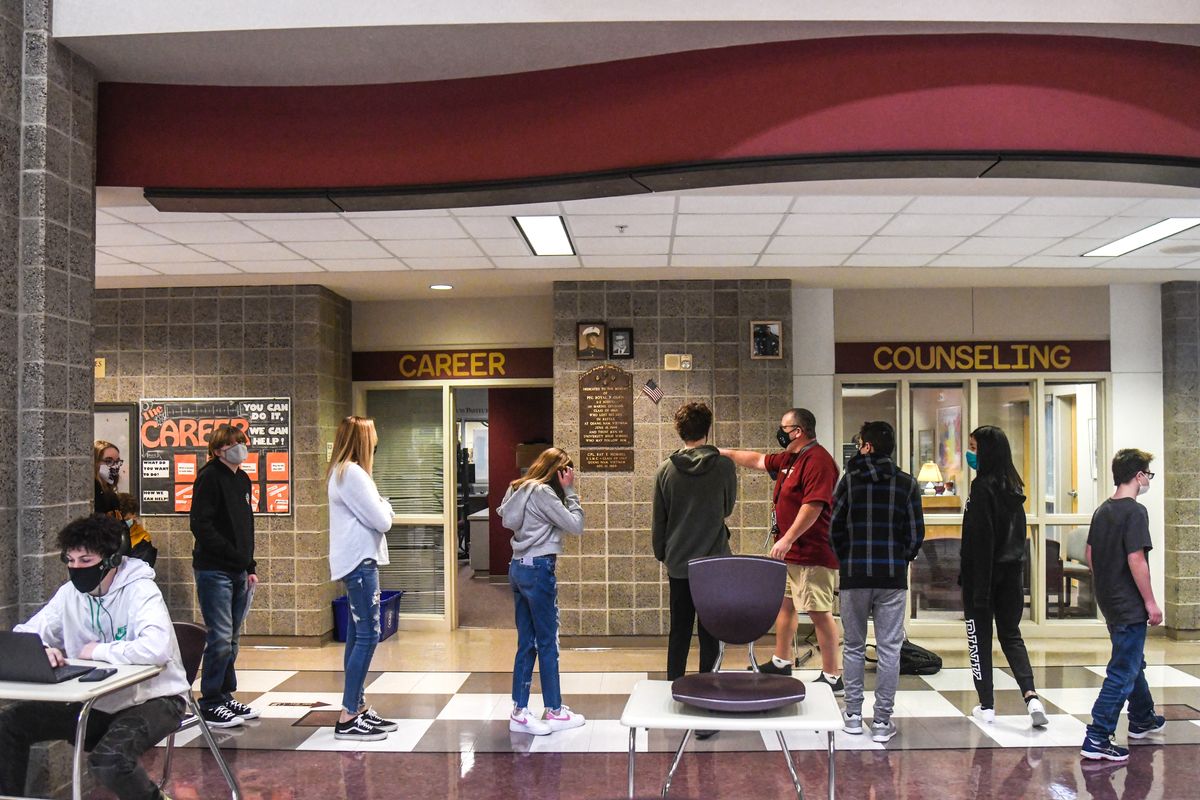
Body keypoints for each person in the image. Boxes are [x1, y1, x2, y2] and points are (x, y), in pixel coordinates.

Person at [0, 514, 188, 800]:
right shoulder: (69, 595)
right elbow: (26, 634)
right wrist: (41, 650)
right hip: (96, 701)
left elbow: (157, 648)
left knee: (109, 760)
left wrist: (97, 651)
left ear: (112, 560)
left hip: (155, 698)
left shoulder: (141, 589)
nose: (76, 569)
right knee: (9, 723)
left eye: (85, 561)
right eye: (70, 560)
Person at [721, 408, 843, 695]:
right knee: (785, 605)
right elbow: (758, 460)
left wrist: (787, 538)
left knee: (818, 611)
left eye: (784, 427)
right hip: (790, 553)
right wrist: (722, 452)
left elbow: (813, 506)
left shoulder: (819, 461)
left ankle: (832, 675)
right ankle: (781, 660)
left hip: (811, 552)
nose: (780, 432)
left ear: (798, 431)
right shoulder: (791, 458)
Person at [831, 421, 924, 744]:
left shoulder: (850, 482)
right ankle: (882, 721)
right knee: (889, 649)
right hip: (892, 578)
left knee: (854, 647)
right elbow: (915, 534)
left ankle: (854, 716)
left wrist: (847, 559)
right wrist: (901, 560)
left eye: (860, 442)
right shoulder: (907, 483)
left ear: (868, 446)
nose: (858, 447)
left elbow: (835, 528)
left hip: (855, 575)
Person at [1080, 448, 1165, 762]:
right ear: (1139, 476)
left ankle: (1142, 717)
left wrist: (1108, 582)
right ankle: (1098, 736)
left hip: (1110, 601)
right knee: (1122, 671)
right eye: (1148, 475)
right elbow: (1136, 559)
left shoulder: (1103, 510)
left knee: (1133, 661)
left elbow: (1090, 555)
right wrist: (1151, 602)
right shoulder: (1134, 512)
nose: (1148, 481)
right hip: (1129, 604)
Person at [960, 425, 1047, 727]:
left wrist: (979, 589)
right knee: (1011, 635)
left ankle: (987, 706)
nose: (969, 453)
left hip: (982, 578)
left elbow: (982, 540)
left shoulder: (982, 488)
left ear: (986, 452)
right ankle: (1031, 695)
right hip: (1011, 575)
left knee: (979, 639)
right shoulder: (1014, 488)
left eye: (973, 447)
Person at [498, 446, 587, 735]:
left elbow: (506, 520)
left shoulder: (517, 488)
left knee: (527, 642)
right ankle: (555, 710)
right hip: (538, 570)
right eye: (566, 471)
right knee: (547, 641)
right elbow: (575, 525)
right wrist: (570, 492)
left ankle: (520, 711)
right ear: (558, 471)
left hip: (518, 568)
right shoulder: (543, 493)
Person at [652, 402, 737, 682]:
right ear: (707, 430)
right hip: (714, 562)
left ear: (679, 431)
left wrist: (662, 553)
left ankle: (673, 687)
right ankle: (708, 688)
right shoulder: (724, 466)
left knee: (679, 630)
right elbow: (727, 508)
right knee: (710, 631)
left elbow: (659, 519)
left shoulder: (666, 469)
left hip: (679, 562)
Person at [327, 416, 396, 742]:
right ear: (362, 441)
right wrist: (386, 505)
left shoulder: (345, 472)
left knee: (358, 634)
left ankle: (356, 705)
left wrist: (381, 506)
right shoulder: (352, 474)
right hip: (359, 564)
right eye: (373, 438)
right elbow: (382, 520)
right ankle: (348, 715)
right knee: (369, 635)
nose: (377, 443)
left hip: (356, 561)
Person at [189, 423, 258, 729]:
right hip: (214, 569)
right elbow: (201, 526)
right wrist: (234, 556)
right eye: (233, 444)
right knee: (218, 637)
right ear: (218, 450)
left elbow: (246, 527)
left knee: (232, 638)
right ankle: (210, 701)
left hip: (238, 569)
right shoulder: (209, 477)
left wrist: (249, 565)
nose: (240, 447)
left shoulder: (242, 479)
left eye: (242, 442)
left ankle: (225, 692)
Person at [117, 492, 158, 567]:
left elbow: (141, 569)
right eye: (119, 519)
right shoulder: (106, 534)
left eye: (126, 519)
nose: (122, 524)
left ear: (134, 515)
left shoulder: (143, 539)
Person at [94, 440, 123, 516]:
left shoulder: (111, 495)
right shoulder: (91, 494)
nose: (115, 466)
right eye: (108, 461)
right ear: (95, 462)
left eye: (117, 462)